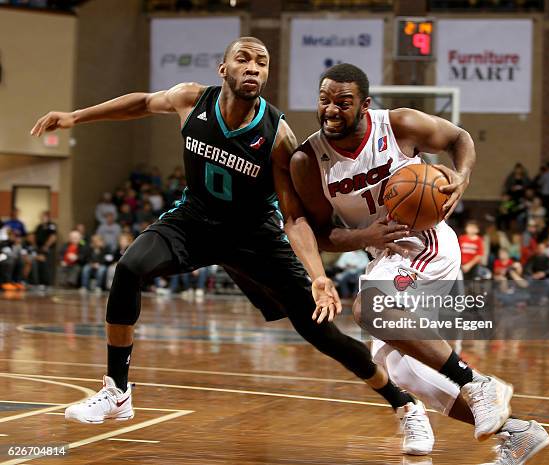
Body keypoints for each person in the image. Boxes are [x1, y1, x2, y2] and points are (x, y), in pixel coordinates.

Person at [30, 37, 430, 450]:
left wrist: (318, 276)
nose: (253, 67)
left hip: (254, 235)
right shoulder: (190, 99)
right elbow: (141, 103)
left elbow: (293, 216)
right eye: (244, 59)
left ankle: (405, 405)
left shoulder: (277, 135)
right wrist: (75, 116)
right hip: (194, 221)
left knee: (322, 334)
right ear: (224, 70)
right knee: (128, 268)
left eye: (262, 62)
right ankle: (117, 391)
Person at [289, 63, 549, 462]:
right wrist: (365, 237)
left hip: (426, 241)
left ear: (365, 105)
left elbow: (459, 138)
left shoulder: (398, 125)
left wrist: (462, 177)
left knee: (370, 309)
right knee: (406, 372)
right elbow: (322, 233)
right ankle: (518, 433)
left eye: (343, 102)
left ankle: (477, 383)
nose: (331, 110)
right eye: (324, 101)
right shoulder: (308, 160)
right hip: (382, 255)